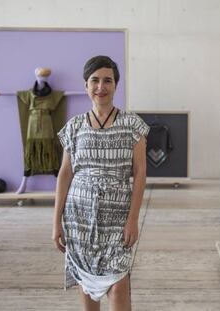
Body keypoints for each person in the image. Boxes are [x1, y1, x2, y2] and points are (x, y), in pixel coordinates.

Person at [52, 55, 149, 310]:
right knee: (87, 289)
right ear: (86, 85)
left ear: (116, 85)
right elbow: (65, 174)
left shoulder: (133, 125)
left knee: (119, 287)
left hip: (117, 221)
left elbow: (140, 173)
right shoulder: (73, 127)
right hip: (79, 221)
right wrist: (56, 223)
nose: (100, 87)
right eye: (94, 80)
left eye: (107, 80)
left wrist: (133, 219)